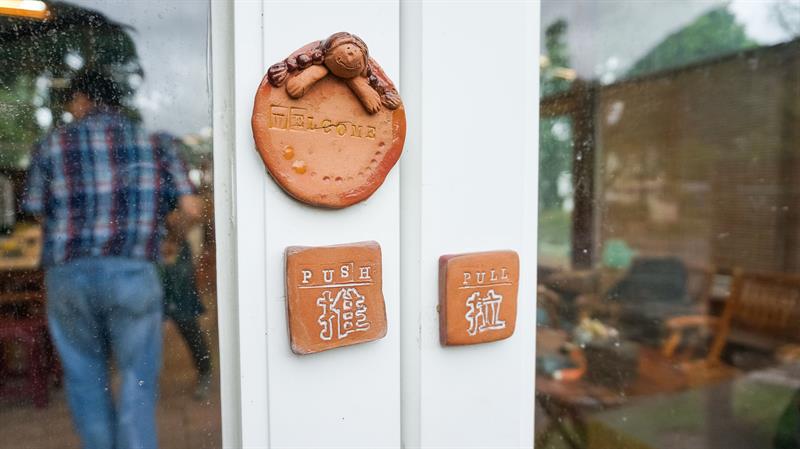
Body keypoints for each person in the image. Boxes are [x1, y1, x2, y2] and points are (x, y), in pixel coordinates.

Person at [23, 70, 200, 449]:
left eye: (71, 102)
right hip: (133, 272)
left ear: (82, 99)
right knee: (138, 376)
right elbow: (191, 208)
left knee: (85, 376)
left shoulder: (51, 144)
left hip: (69, 274)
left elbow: (37, 210)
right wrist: (171, 239)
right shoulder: (156, 142)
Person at [152, 133, 213, 401]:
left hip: (169, 250)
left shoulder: (166, 171)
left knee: (182, 314)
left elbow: (194, 212)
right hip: (155, 249)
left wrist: (174, 240)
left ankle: (204, 370)